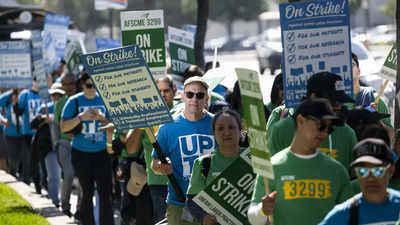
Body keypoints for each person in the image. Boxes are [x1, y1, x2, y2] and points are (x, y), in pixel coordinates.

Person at [248, 98, 352, 225]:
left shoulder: (337, 171)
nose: (325, 134)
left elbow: (350, 217)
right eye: (321, 126)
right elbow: (253, 219)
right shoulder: (273, 166)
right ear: (301, 121)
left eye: (329, 129)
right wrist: (262, 210)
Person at [151, 76, 216, 225]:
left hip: (212, 203)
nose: (194, 99)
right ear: (182, 96)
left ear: (207, 98)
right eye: (190, 94)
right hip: (179, 202)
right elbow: (154, 165)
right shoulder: (167, 128)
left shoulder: (218, 124)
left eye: (200, 95)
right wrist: (162, 167)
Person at [267, 72, 357, 172]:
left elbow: (354, 180)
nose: (338, 107)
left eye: (340, 102)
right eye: (333, 102)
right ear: (313, 97)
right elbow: (270, 178)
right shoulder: (282, 130)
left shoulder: (347, 134)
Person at [60, 72, 113, 225]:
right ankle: (87, 222)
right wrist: (81, 117)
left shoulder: (104, 100)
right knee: (87, 191)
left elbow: (115, 124)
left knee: (105, 192)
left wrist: (103, 118)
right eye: (89, 85)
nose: (92, 89)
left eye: (95, 86)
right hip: (81, 152)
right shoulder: (74, 101)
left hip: (102, 152)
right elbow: (63, 127)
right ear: (82, 85)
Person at [319, 138, 400, 224]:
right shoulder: (343, 214)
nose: (370, 177)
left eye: (378, 171)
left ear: (391, 171)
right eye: (362, 171)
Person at [186, 109, 244, 225]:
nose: (226, 133)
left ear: (241, 130)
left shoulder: (253, 160)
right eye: (221, 128)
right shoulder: (203, 163)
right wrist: (203, 217)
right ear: (214, 132)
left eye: (231, 127)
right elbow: (193, 201)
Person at [54, 72, 81, 218]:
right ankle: (65, 205)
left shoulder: (81, 99)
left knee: (83, 179)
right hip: (64, 143)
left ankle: (80, 209)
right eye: (66, 84)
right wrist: (55, 143)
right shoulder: (60, 103)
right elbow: (57, 124)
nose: (70, 87)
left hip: (81, 143)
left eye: (72, 83)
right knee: (69, 174)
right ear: (62, 86)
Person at [15, 78, 43, 189]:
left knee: (42, 160)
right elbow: (19, 111)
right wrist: (15, 102)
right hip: (28, 132)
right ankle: (35, 182)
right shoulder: (25, 94)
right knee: (33, 159)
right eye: (36, 81)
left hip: (42, 132)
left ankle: (42, 182)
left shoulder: (44, 93)